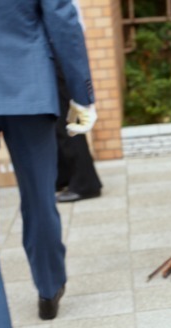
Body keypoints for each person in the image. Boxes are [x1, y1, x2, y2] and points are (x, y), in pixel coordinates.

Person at [0, 0, 96, 328]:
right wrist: (83, 94)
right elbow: (63, 18)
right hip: (28, 85)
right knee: (39, 199)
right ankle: (49, 288)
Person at [55, 0, 103, 202]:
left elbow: (65, 19)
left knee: (67, 119)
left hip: (59, 48)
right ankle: (66, 176)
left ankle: (85, 183)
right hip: (57, 47)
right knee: (59, 119)